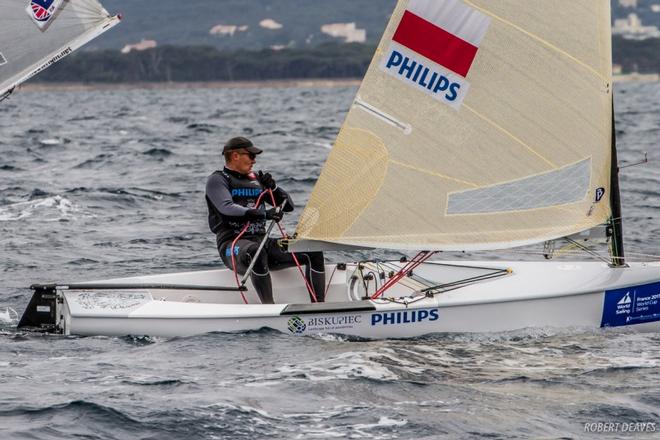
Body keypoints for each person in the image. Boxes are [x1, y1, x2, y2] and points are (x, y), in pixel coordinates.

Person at [205, 136, 326, 304]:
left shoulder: (257, 180)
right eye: (251, 156)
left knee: (311, 250)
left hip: (262, 242)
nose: (254, 161)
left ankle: (318, 307)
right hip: (232, 246)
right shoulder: (218, 180)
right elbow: (226, 208)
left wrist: (274, 188)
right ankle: (269, 308)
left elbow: (288, 206)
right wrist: (264, 214)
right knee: (256, 252)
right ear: (235, 156)